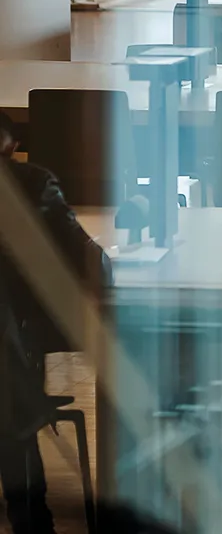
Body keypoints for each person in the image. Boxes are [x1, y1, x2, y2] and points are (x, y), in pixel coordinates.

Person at [0, 115, 108, 534]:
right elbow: (89, 258)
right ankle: (31, 519)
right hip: (20, 341)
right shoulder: (30, 182)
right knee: (12, 377)